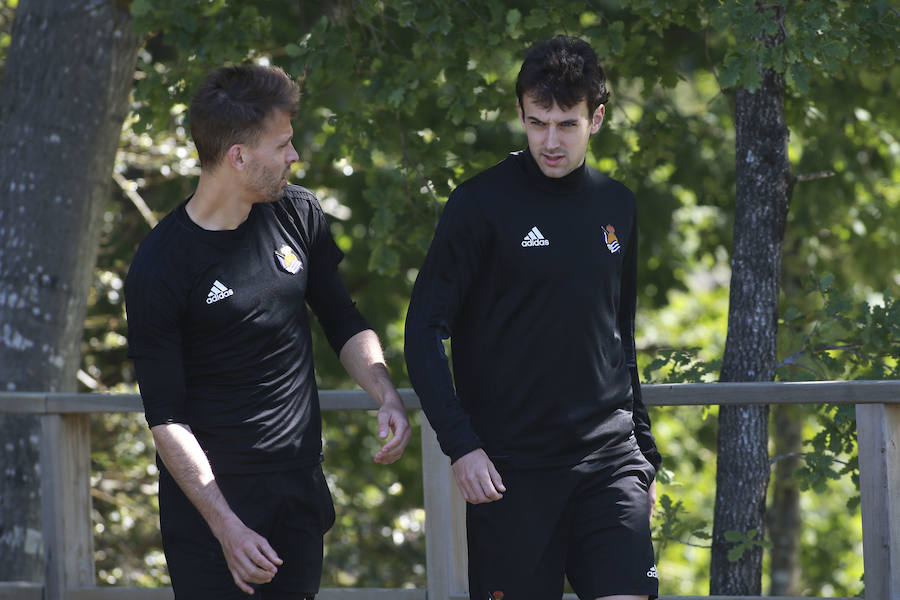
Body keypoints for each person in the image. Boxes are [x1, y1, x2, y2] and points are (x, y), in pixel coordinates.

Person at [125, 64, 411, 599]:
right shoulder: (160, 266)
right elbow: (166, 419)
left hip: (298, 492)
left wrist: (385, 393)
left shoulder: (298, 214)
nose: (294, 156)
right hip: (215, 509)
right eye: (282, 144)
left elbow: (343, 320)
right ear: (239, 156)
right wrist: (226, 527)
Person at [405, 35, 661, 600]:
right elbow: (422, 331)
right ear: (520, 114)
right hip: (509, 471)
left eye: (566, 124)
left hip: (609, 461)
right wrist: (461, 444)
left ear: (596, 119)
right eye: (537, 122)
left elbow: (620, 333)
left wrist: (644, 451)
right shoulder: (479, 205)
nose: (550, 140)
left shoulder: (617, 204)